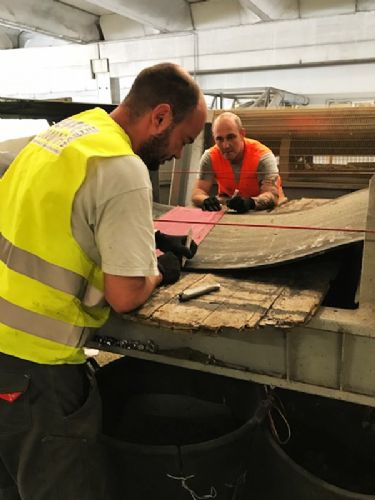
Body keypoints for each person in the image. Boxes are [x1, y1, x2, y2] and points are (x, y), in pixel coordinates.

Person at [0, 62, 207, 500]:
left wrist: (145, 236)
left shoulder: (65, 135)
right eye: (183, 141)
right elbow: (125, 295)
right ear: (161, 116)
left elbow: (61, 215)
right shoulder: (123, 168)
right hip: (38, 366)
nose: (176, 154)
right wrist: (158, 270)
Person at [191, 111, 286, 213]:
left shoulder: (263, 156)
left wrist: (250, 202)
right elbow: (198, 192)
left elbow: (271, 195)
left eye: (231, 137)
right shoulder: (210, 157)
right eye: (219, 139)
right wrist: (205, 200)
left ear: (242, 134)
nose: (226, 145)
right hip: (230, 210)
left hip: (270, 211)